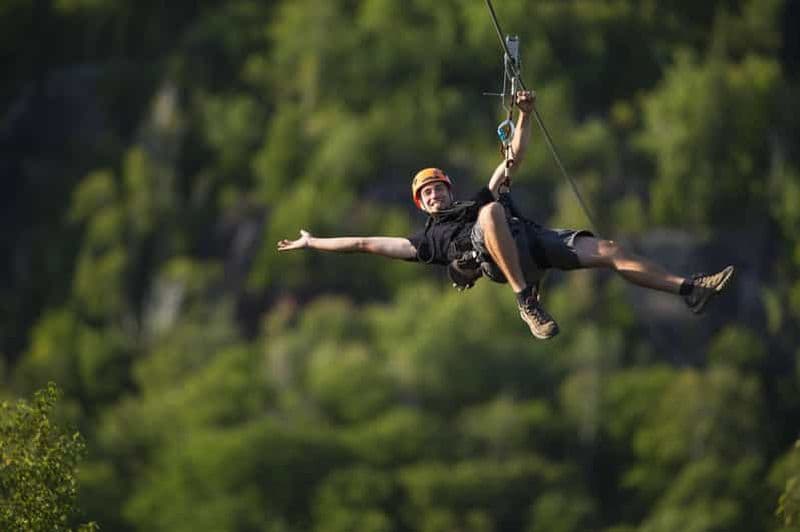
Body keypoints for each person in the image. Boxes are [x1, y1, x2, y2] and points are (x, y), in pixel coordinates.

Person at [277, 90, 734, 339]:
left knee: (610, 251)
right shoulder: (426, 242)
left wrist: (525, 115)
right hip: (499, 262)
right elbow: (363, 243)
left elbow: (513, 159)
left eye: (438, 188)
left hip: (531, 242)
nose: (434, 195)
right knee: (492, 212)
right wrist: (312, 242)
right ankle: (526, 302)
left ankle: (690, 289)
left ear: (448, 190)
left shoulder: (475, 199)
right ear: (421, 204)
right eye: (427, 193)